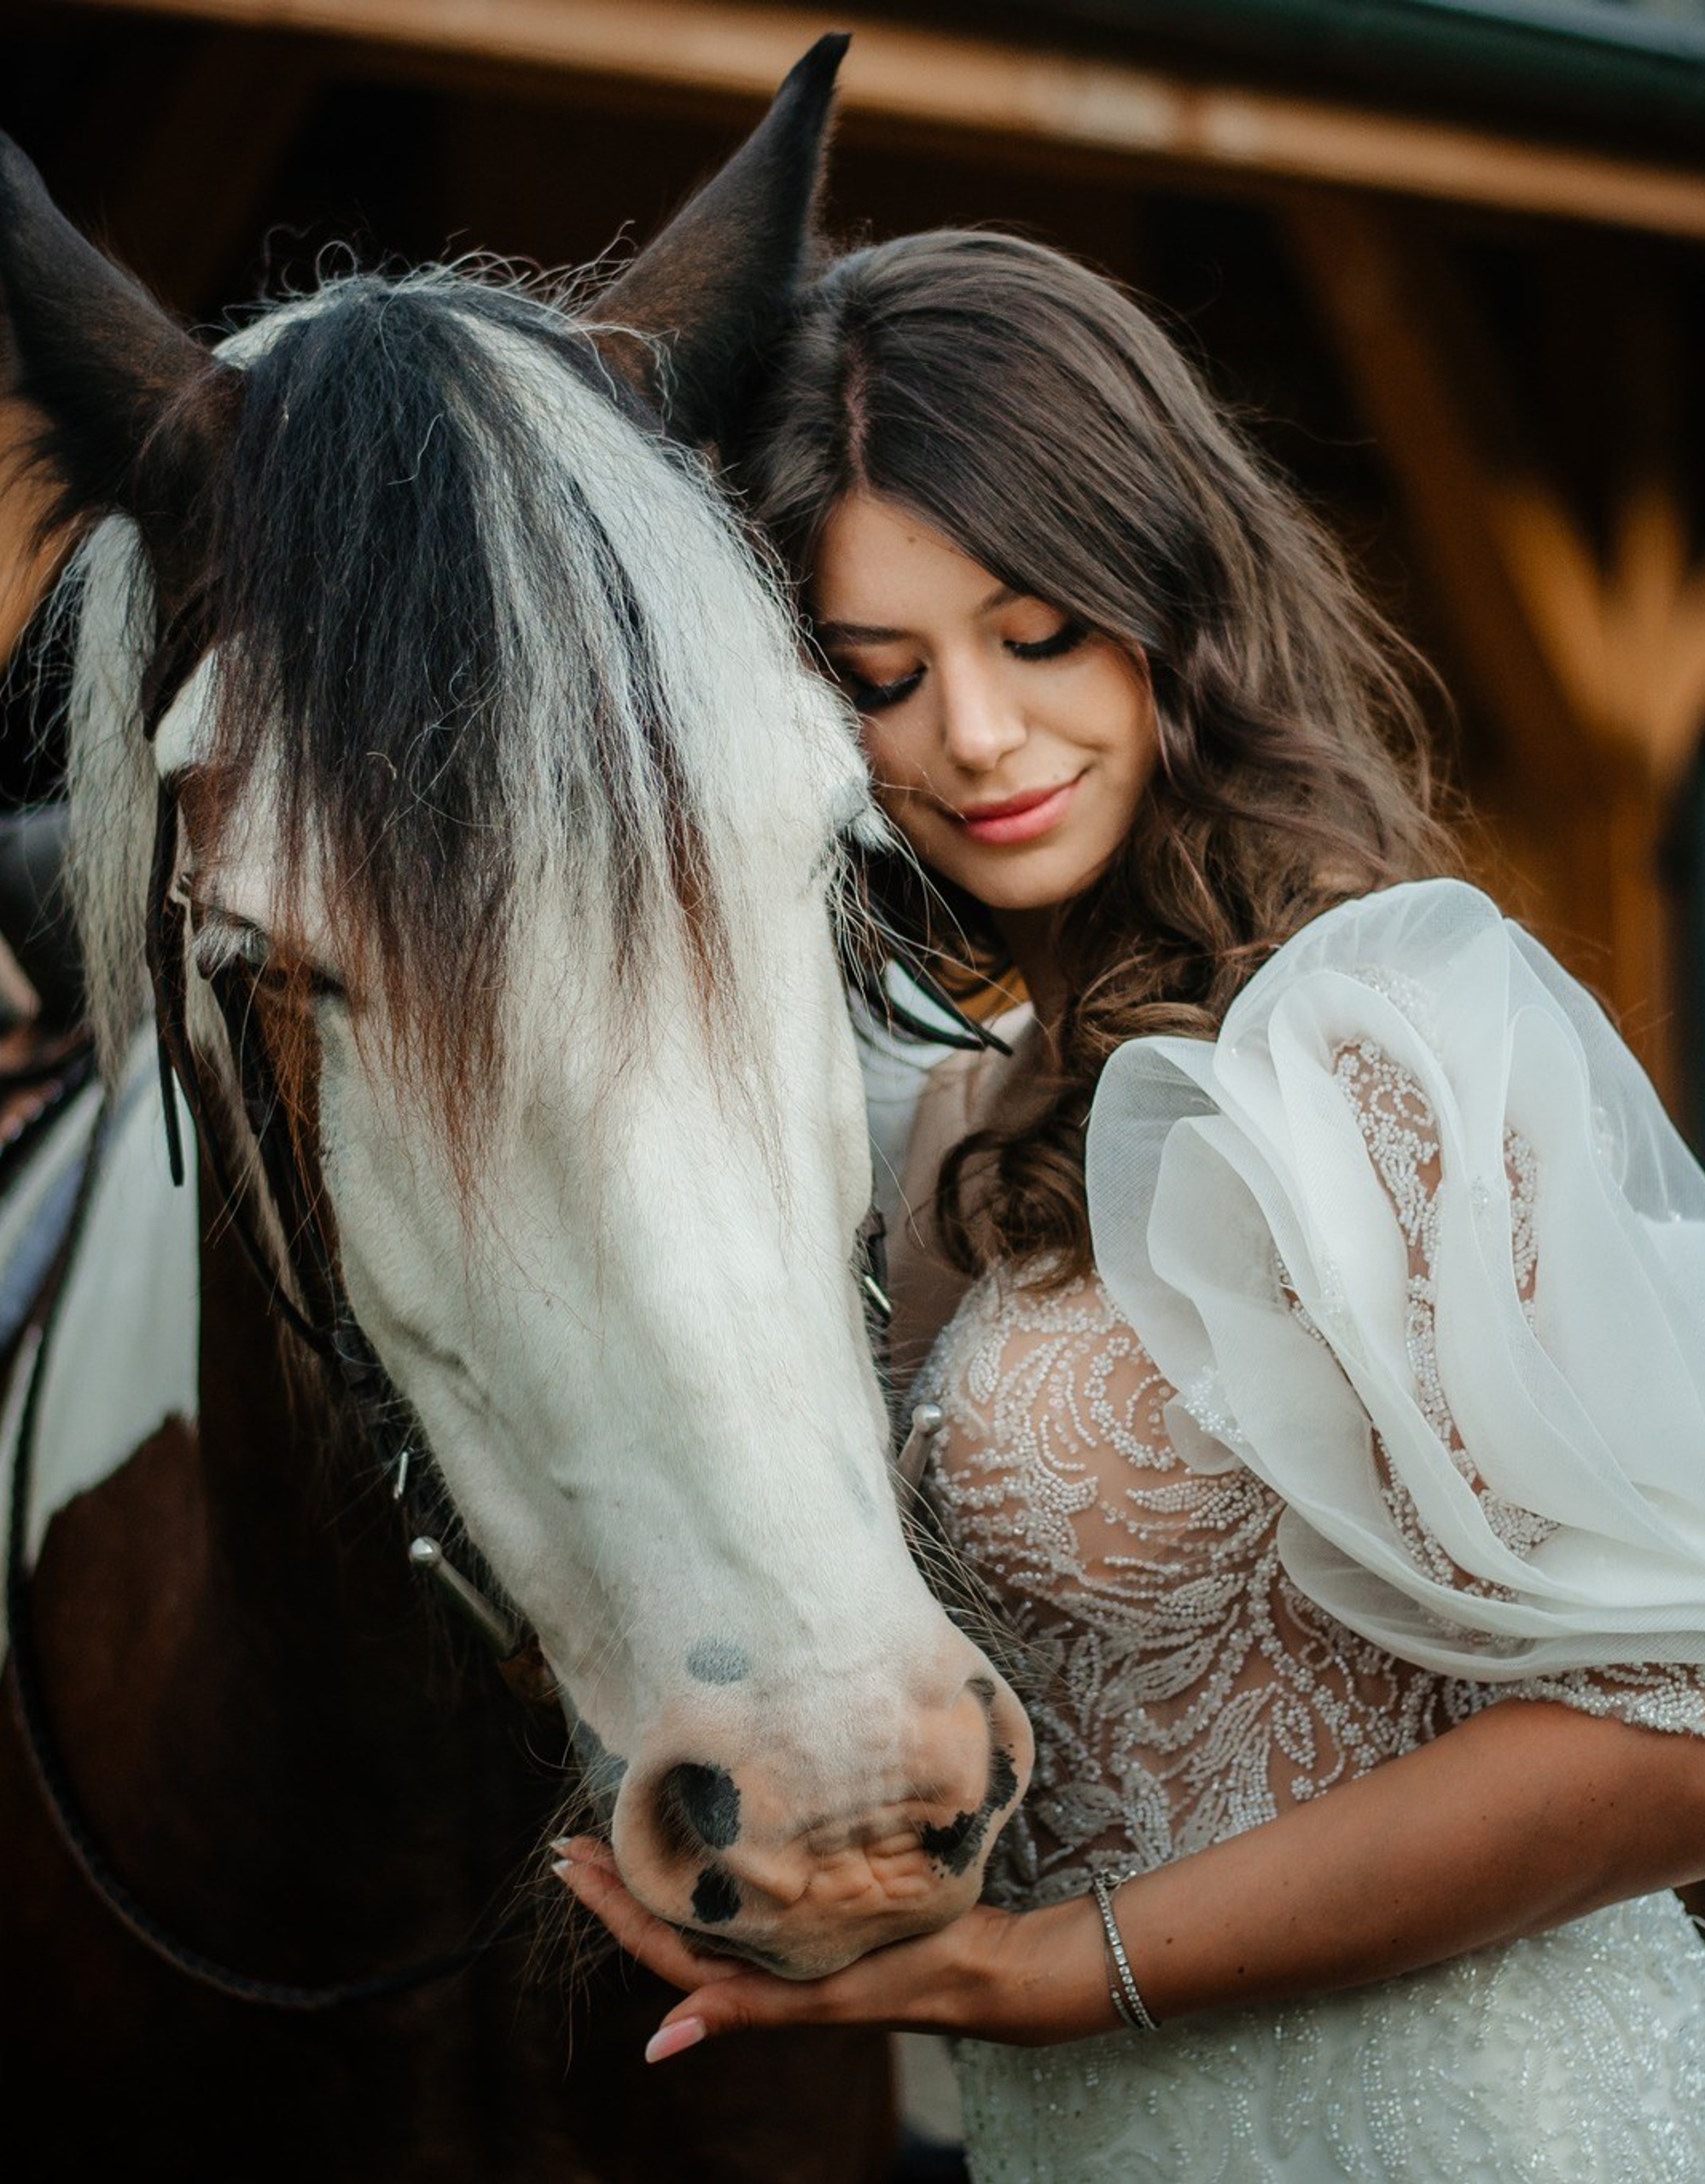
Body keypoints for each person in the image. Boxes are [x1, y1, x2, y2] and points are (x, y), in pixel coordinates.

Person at [556, 228, 1705, 2178]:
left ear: (1165, 606)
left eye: (1034, 632)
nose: (973, 741)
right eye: (879, 677)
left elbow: (1665, 1736)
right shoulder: (942, 1128)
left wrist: (1033, 1974)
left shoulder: (1371, 1035)